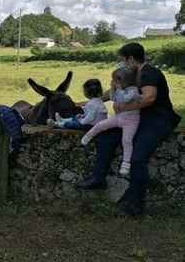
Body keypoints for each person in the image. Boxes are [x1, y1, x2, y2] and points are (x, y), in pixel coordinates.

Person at [77, 43, 182, 216]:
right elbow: (112, 94)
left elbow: (149, 98)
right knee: (106, 135)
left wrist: (123, 108)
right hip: (138, 118)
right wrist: (86, 103)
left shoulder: (149, 73)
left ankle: (135, 203)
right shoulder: (131, 74)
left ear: (130, 59)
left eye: (122, 59)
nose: (121, 63)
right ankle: (98, 177)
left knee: (138, 157)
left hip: (157, 120)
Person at [81, 67, 141, 176]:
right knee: (101, 125)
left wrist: (119, 88)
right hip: (119, 117)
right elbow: (113, 98)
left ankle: (126, 164)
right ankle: (88, 136)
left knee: (127, 140)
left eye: (115, 80)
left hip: (131, 121)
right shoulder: (120, 89)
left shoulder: (134, 90)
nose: (113, 82)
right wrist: (113, 89)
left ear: (124, 81)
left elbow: (125, 99)